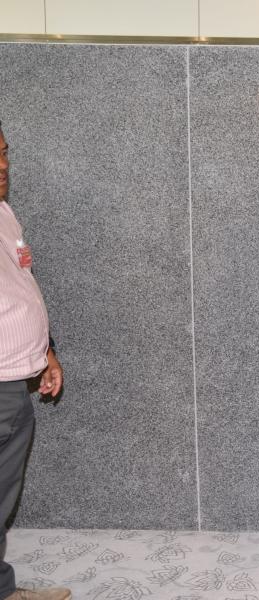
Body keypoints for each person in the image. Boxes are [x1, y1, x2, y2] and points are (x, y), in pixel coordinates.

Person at [0, 120, 68, 600]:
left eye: (4, 153)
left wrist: (47, 352)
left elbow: (23, 287)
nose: (2, 165)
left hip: (15, 382)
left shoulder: (5, 213)